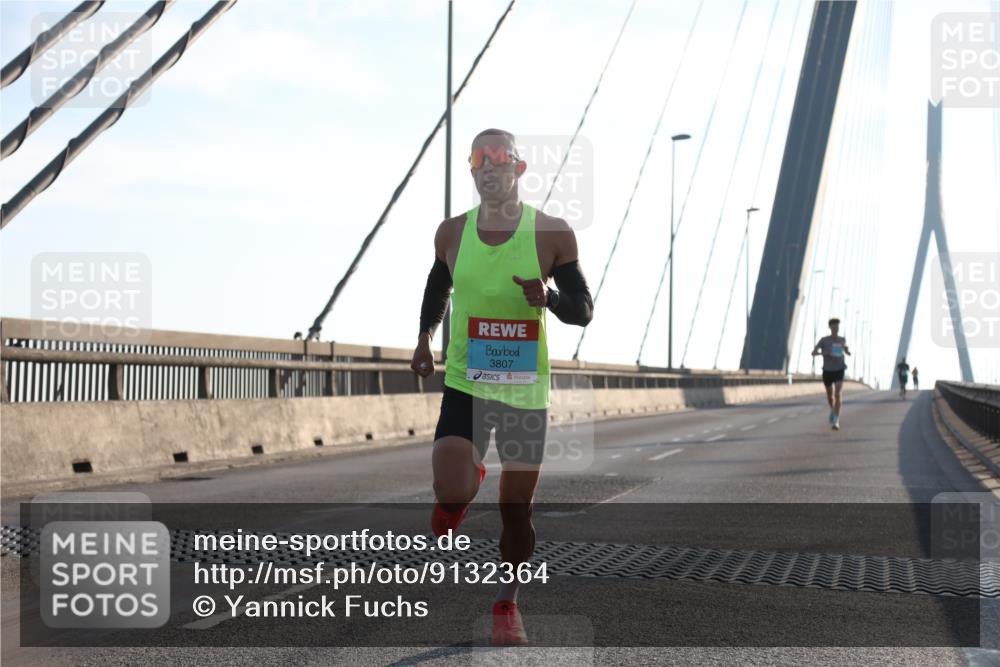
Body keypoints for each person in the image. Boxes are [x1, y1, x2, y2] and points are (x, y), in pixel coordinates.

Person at [410, 129, 594, 646]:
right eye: (477, 158)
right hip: (467, 380)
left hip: (523, 389)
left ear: (519, 167)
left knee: (517, 510)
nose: (487, 166)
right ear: (472, 171)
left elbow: (583, 310)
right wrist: (424, 339)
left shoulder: (551, 234)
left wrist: (550, 298)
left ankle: (507, 605)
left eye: (498, 157)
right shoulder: (451, 233)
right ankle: (459, 494)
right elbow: (437, 288)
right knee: (450, 488)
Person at [811, 317, 851, 430]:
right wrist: (824, 352)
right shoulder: (824, 340)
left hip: (839, 369)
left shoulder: (842, 339)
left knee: (838, 393)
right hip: (827, 370)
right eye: (833, 326)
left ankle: (836, 420)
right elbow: (813, 352)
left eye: (837, 326)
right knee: (830, 395)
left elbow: (845, 348)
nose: (836, 328)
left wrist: (847, 351)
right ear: (830, 327)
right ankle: (832, 409)